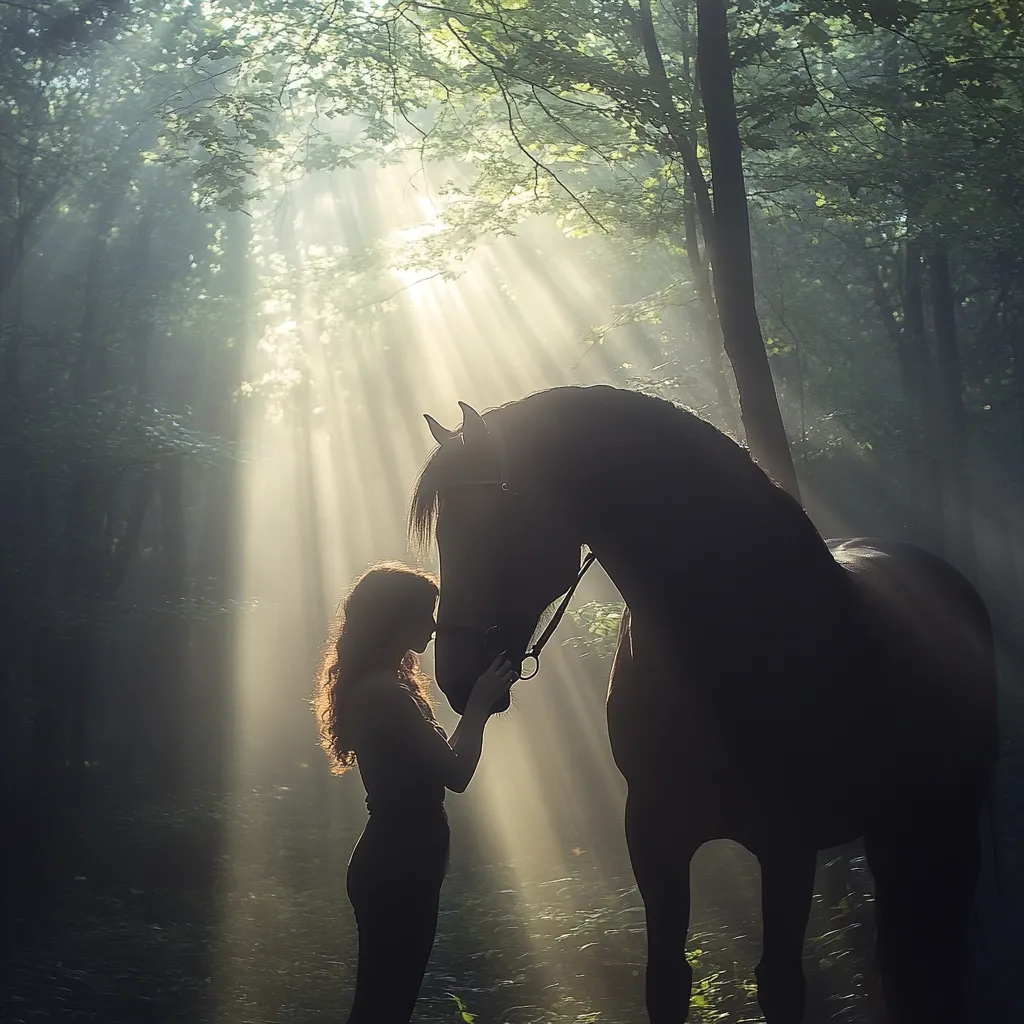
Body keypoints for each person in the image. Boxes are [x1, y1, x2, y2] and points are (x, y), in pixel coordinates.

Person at [312, 561, 518, 1024]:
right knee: (384, 1007)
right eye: (426, 614)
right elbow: (457, 771)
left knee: (386, 1005)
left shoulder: (386, 687)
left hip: (398, 862)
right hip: (397, 867)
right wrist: (480, 705)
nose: (434, 624)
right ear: (395, 618)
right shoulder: (384, 694)